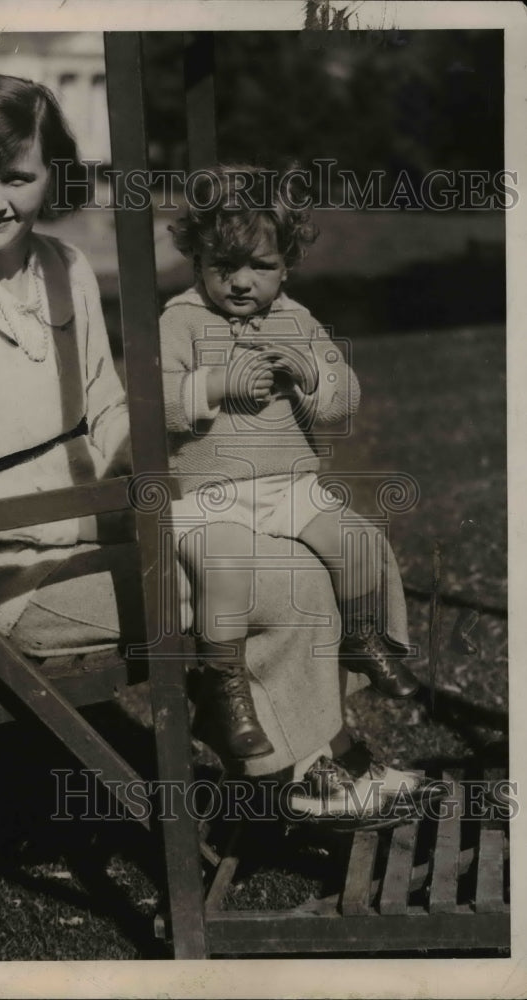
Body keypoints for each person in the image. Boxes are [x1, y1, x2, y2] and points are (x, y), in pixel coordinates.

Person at [0, 74, 423, 823]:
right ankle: (298, 775)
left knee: (304, 549)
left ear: (54, 176)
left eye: (16, 176)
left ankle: (307, 761)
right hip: (18, 565)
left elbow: (105, 409)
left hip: (112, 516)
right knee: (276, 580)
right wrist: (98, 511)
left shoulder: (62, 267)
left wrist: (180, 451)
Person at [161, 163, 419, 766]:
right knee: (223, 568)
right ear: (197, 260)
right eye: (224, 267)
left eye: (262, 267)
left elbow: (344, 396)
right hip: (210, 495)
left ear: (289, 263)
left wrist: (314, 375)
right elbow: (157, 405)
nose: (243, 283)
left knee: (354, 542)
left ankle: (359, 634)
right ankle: (229, 688)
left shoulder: (296, 320)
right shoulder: (178, 321)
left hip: (290, 487)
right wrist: (213, 383)